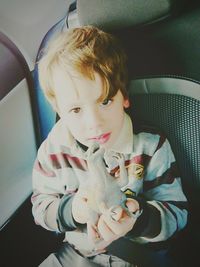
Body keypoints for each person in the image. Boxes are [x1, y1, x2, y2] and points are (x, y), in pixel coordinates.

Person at [31, 25, 188, 267]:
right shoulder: (55, 148)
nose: (94, 124)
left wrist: (137, 216)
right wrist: (73, 211)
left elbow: (177, 214)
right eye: (75, 110)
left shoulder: (150, 145)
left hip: (138, 258)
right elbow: (41, 207)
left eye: (105, 101)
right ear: (59, 111)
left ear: (124, 96)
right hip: (76, 255)